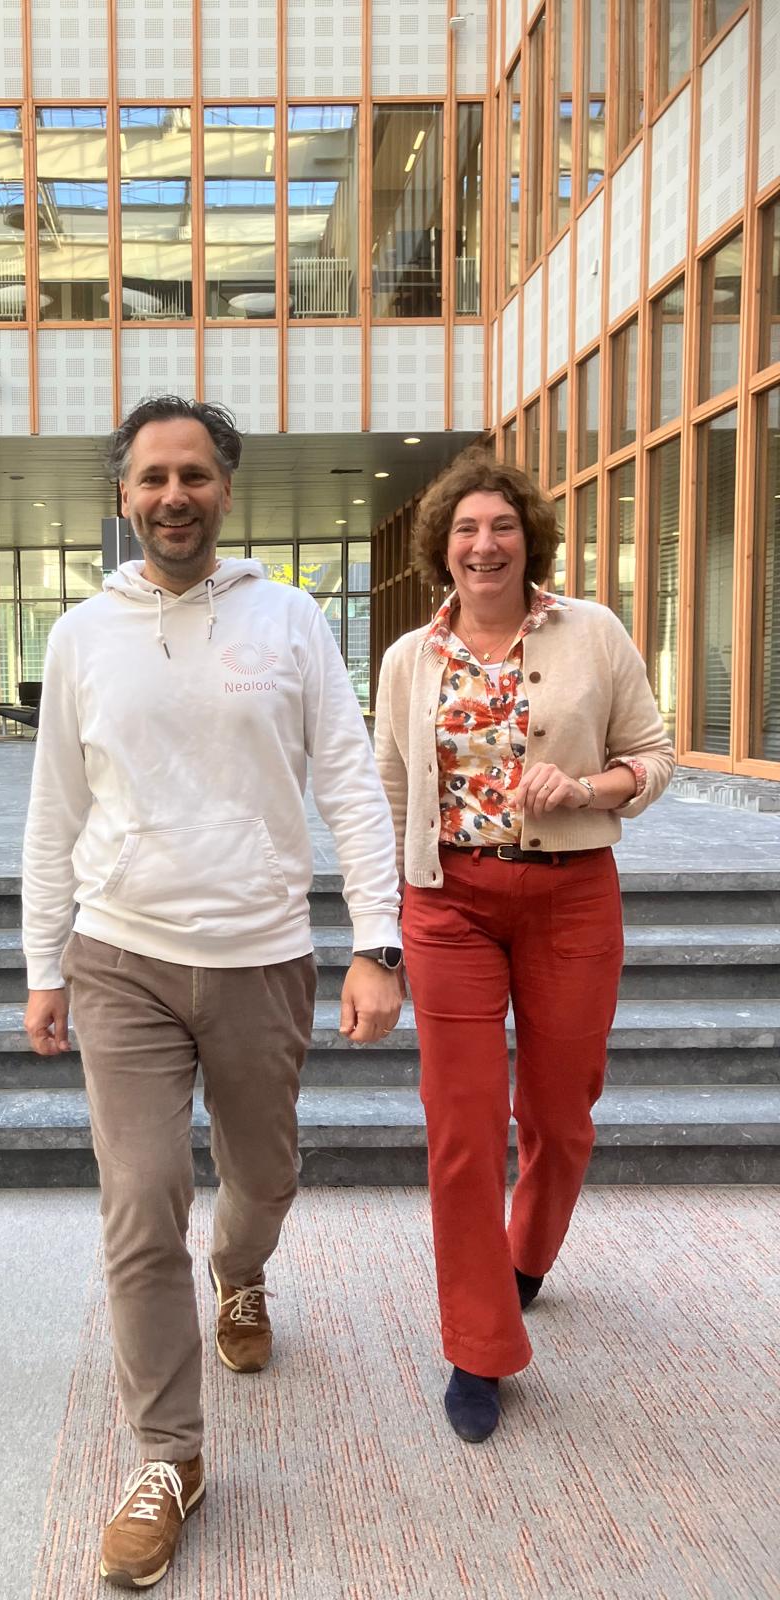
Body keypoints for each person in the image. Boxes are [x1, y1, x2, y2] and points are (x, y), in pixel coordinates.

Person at [21, 396, 403, 1590]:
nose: (172, 495)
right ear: (123, 496)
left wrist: (378, 942)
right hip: (121, 956)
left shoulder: (290, 619)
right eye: (152, 477)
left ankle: (240, 1272)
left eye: (193, 474)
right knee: (140, 1204)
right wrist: (43, 963)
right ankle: (168, 1457)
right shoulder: (82, 634)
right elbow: (53, 808)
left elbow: (351, 781)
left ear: (226, 489)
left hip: (260, 954)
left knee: (264, 1178)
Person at [373, 449, 674, 1445]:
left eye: (501, 526)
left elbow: (654, 755)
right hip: (447, 903)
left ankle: (528, 1252)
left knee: (560, 1109)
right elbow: (389, 796)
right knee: (461, 1122)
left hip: (572, 896)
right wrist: (381, 929)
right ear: (443, 547)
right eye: (466, 528)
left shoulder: (592, 632)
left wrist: (586, 788)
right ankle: (478, 1344)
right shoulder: (411, 658)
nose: (484, 543)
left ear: (527, 539)